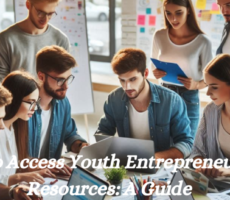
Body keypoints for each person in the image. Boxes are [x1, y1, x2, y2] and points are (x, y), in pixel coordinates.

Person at [96, 48, 193, 161]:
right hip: (127, 164)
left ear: (145, 73)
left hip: (161, 168)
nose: (127, 87)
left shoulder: (172, 100)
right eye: (122, 80)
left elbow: (186, 143)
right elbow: (102, 132)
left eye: (133, 79)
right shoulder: (114, 99)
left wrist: (157, 158)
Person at [151, 0, 213, 138]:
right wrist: (157, 73)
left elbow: (211, 79)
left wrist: (196, 84)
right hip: (164, 93)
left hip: (188, 96)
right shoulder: (159, 36)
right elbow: (153, 68)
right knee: (163, 141)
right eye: (168, 13)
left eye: (179, 13)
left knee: (186, 143)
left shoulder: (203, 41)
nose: (173, 19)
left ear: (188, 11)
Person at [28, 45, 88, 160]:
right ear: (41, 76)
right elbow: (14, 155)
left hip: (50, 175)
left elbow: (70, 134)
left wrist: (81, 146)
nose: (66, 86)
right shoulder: (25, 106)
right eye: (60, 80)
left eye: (68, 79)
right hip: (26, 175)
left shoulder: (63, 103)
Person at [0, 71, 56, 186]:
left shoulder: (15, 128)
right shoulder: (2, 130)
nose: (34, 109)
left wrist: (36, 170)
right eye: (30, 102)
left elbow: (10, 169)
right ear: (13, 99)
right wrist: (20, 177)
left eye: (36, 103)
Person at [0, 0, 69, 80]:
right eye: (41, 13)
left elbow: (61, 82)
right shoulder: (5, 39)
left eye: (50, 14)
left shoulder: (61, 40)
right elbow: (1, 85)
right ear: (28, 5)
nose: (45, 19)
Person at [191, 54, 230, 178]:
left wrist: (225, 171)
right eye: (207, 85)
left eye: (214, 87)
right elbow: (197, 150)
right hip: (217, 189)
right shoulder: (211, 110)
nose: (208, 93)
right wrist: (202, 165)